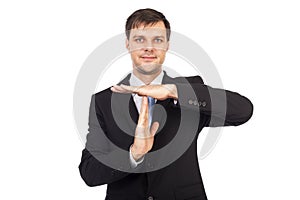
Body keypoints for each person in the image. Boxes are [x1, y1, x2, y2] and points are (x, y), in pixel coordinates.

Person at [79, 8, 253, 200]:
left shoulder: (190, 91)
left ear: (167, 45)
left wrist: (174, 91)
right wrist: (133, 154)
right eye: (139, 40)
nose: (149, 47)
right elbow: (89, 172)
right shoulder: (103, 101)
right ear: (127, 44)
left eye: (158, 40)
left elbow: (243, 111)